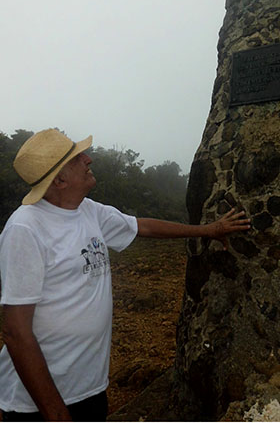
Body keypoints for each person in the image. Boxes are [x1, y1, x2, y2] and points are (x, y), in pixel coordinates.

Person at [0, 128, 250, 422]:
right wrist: (57, 416)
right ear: (60, 179)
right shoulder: (25, 230)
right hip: (38, 403)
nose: (88, 159)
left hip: (89, 389)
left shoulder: (88, 211)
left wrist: (209, 230)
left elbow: (142, 226)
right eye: (77, 157)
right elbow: (16, 331)